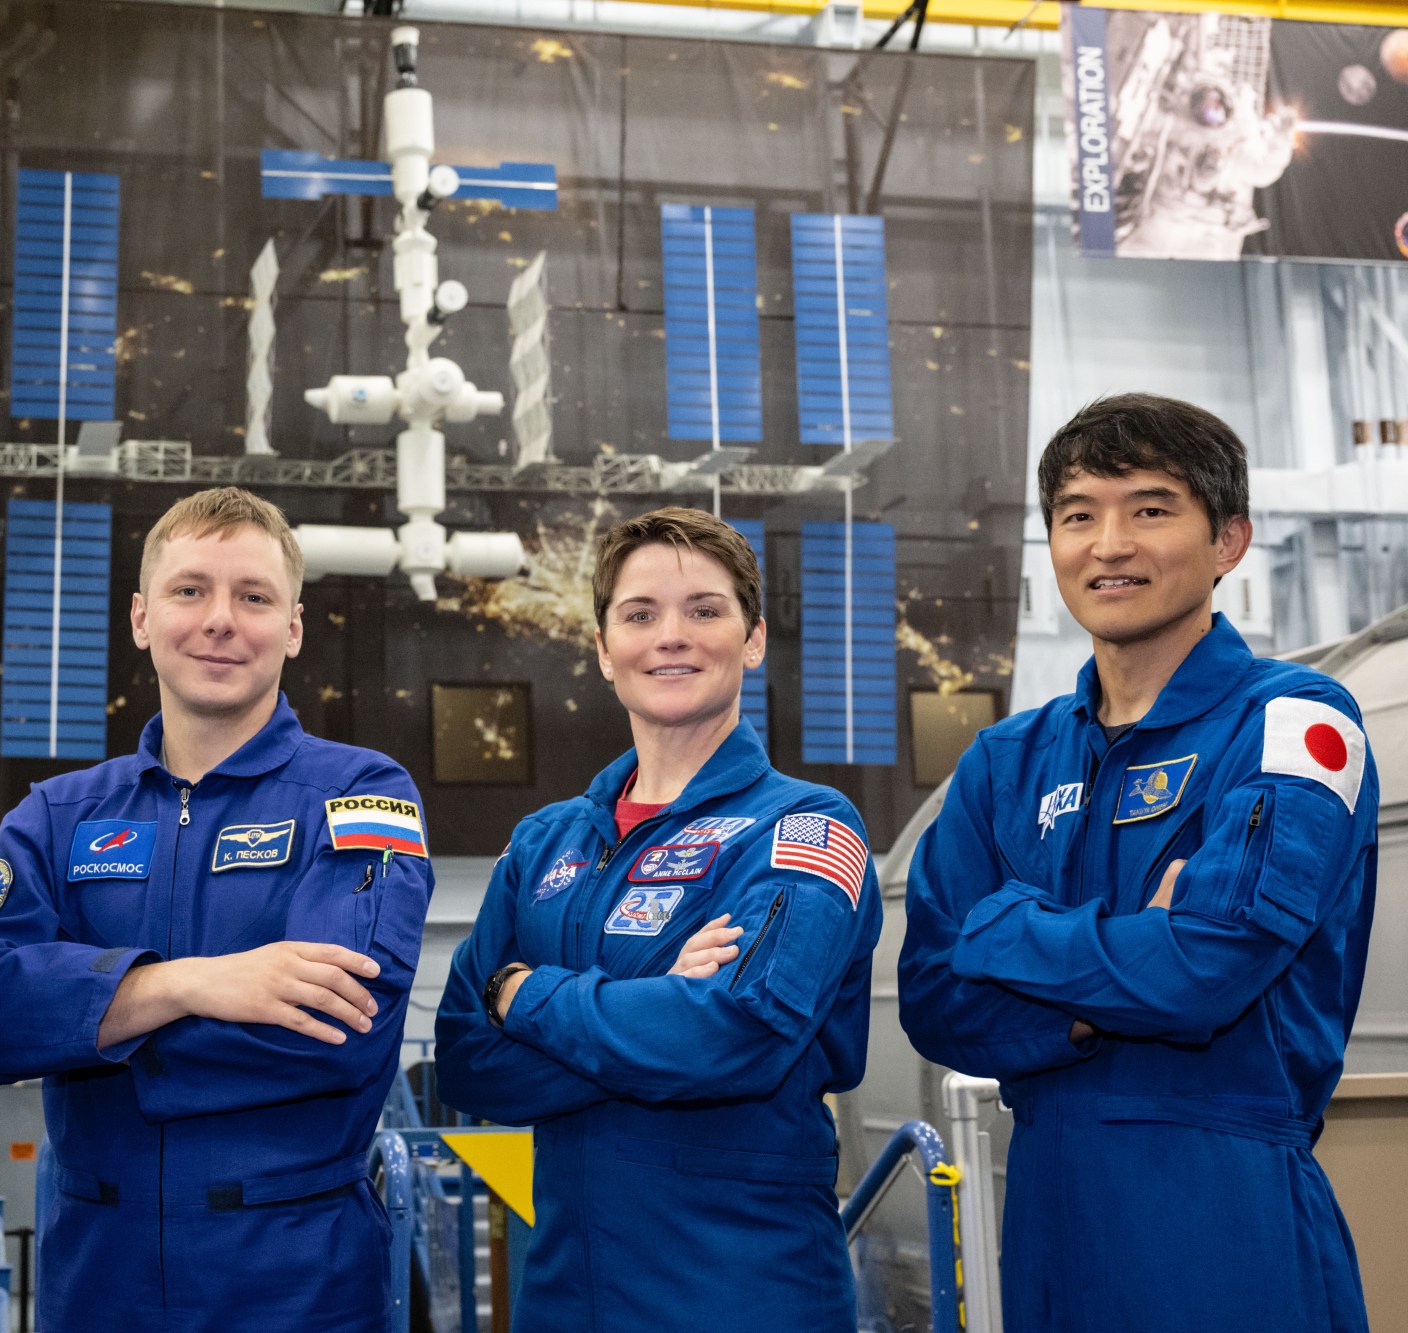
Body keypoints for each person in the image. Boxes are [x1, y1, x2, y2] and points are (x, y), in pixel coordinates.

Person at [898, 393, 1377, 1332]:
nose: (1109, 543)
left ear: (1228, 540)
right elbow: (932, 997)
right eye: (1078, 515)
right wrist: (1116, 975)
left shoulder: (1294, 722)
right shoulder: (1006, 761)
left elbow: (1205, 970)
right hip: (1047, 1216)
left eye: (1150, 509)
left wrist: (1006, 929)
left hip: (1226, 1212)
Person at [0, 486, 433, 1332]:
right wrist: (189, 986)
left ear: (294, 627)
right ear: (140, 616)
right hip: (96, 1277)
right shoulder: (58, 815)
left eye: (254, 596)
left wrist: (85, 1024)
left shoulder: (360, 793)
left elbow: (338, 1029)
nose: (220, 620)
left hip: (295, 1275)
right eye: (190, 589)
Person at [436, 506, 882, 1332]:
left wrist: (525, 996)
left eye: (704, 610)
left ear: (751, 639)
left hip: (740, 1293)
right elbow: (464, 1057)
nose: (670, 636)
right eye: (639, 615)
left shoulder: (807, 828)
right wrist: (652, 1002)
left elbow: (735, 1038)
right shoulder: (546, 843)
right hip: (567, 1292)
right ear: (604, 650)